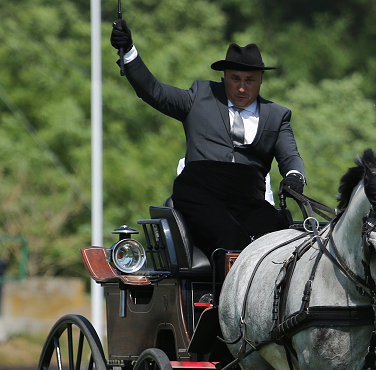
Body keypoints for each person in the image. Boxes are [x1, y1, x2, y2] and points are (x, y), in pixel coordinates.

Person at [110, 23, 305, 257]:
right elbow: (154, 91)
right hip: (200, 193)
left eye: (249, 80)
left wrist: (294, 177)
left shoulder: (277, 115)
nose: (242, 88)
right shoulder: (200, 96)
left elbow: (290, 157)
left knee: (282, 239)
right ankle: (223, 292)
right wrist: (129, 51)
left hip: (247, 199)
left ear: (261, 79)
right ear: (224, 76)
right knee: (230, 236)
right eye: (235, 79)